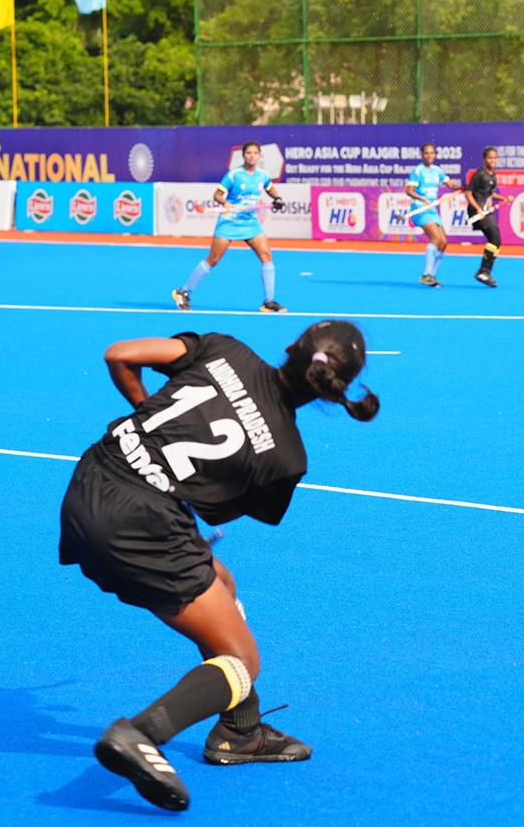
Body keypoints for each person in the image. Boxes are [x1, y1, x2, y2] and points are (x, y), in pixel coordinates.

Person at [60, 320, 379, 811]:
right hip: (140, 523)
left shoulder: (226, 349)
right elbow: (213, 508)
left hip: (91, 481)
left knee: (221, 581)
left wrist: (147, 415)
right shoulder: (287, 459)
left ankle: (240, 730)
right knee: (244, 660)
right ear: (334, 391)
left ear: (291, 346)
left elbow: (119, 353)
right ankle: (140, 734)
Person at [173, 141, 287, 313]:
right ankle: (183, 292)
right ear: (243, 155)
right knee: (213, 259)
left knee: (266, 256)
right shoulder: (234, 175)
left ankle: (269, 301)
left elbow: (269, 189)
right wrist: (225, 203)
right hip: (229, 221)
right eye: (248, 153)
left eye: (255, 153)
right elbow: (218, 194)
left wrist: (277, 198)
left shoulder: (262, 175)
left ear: (259, 155)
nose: (252, 156)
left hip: (250, 222)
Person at [406, 143, 461, 287]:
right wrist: (422, 198)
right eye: (426, 153)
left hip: (432, 210)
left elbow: (451, 184)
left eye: (432, 153)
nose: (429, 156)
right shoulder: (418, 171)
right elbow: (409, 190)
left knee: (443, 242)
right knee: (436, 238)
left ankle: (431, 275)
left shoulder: (437, 170)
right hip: (420, 209)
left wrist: (463, 187)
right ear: (422, 155)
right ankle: (426, 274)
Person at [463, 147, 515, 287]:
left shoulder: (492, 174)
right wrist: (478, 210)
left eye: (495, 158)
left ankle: (485, 272)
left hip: (486, 211)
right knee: (495, 239)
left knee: (496, 241)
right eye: (490, 158)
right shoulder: (480, 174)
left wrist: (504, 198)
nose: (492, 160)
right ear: (484, 159)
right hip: (477, 213)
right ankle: (483, 271)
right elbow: (468, 193)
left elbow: (489, 193)